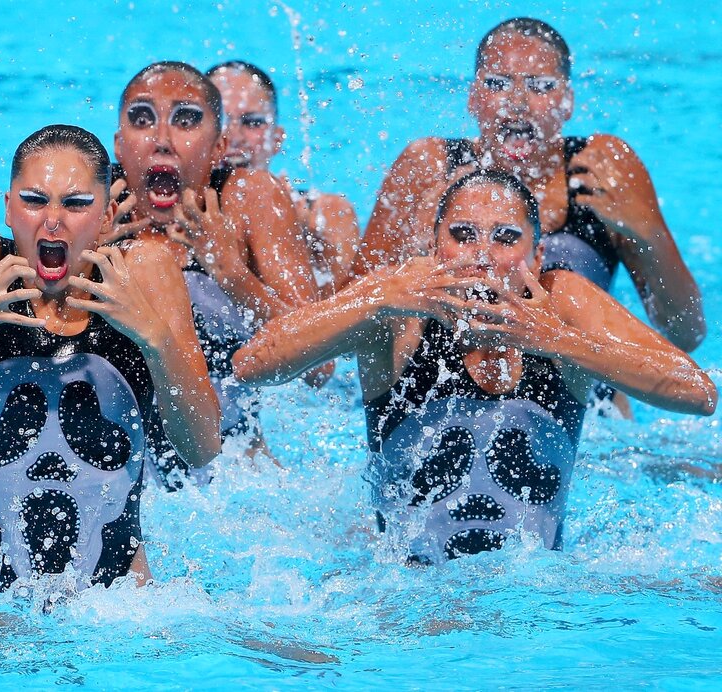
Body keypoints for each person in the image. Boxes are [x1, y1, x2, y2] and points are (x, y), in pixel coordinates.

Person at [234, 170, 715, 563]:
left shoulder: (561, 302)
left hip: (540, 593)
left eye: (506, 238)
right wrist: (375, 301)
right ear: (433, 244)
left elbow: (698, 393)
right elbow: (253, 363)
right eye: (462, 235)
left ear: (537, 253)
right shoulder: (401, 306)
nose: (482, 254)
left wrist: (559, 342)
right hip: (403, 597)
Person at [0, 125, 220, 592]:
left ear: (108, 214)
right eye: (34, 200)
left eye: (75, 204)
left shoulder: (145, 273)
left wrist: (156, 339)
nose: (52, 221)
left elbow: (202, 449)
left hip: (122, 613)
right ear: (8, 207)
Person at [356, 19, 705, 357]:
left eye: (540, 86)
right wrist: (413, 245)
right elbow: (346, 330)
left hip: (590, 409)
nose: (518, 101)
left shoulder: (603, 169)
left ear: (567, 101)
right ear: (474, 98)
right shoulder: (429, 166)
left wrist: (648, 234)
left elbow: (686, 335)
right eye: (497, 83)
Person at [109, 61, 319, 465]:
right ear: (120, 144)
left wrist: (233, 275)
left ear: (219, 146)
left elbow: (319, 369)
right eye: (142, 119)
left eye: (185, 120)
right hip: (120, 470)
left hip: (231, 472)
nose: (162, 139)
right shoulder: (89, 204)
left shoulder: (249, 198)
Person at [206, 60, 360, 292]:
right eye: (221, 120)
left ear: (276, 139)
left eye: (252, 122)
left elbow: (351, 316)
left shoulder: (323, 214)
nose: (234, 136)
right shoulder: (170, 210)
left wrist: (300, 237)